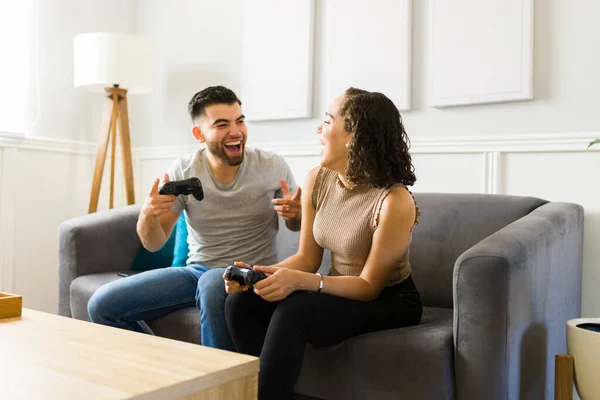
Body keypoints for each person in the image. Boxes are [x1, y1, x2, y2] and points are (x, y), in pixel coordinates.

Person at [224, 88, 423, 400]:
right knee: (242, 301)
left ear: (353, 137)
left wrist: (302, 282)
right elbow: (306, 259)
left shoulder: (394, 201)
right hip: (336, 285)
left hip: (389, 299)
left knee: (295, 311)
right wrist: (259, 274)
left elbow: (369, 286)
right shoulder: (318, 177)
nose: (319, 128)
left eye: (328, 121)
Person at [87, 85, 302, 351]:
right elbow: (153, 242)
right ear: (199, 134)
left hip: (251, 272)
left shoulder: (272, 166)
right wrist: (148, 215)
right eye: (222, 124)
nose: (236, 132)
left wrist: (295, 215)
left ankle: (220, 387)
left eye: (240, 121)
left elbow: (296, 224)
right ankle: (171, 371)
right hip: (197, 272)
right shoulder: (184, 169)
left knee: (212, 283)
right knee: (102, 305)